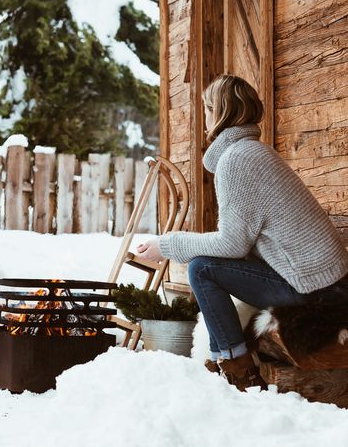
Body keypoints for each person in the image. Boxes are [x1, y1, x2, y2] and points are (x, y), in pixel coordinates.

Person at [136, 74, 348, 391]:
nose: (204, 117)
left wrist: (167, 245)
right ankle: (229, 360)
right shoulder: (253, 152)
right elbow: (243, 242)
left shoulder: (238, 159)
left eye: (207, 109)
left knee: (202, 268)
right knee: (207, 263)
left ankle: (239, 371)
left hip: (316, 291)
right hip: (325, 282)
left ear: (220, 113)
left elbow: (232, 244)